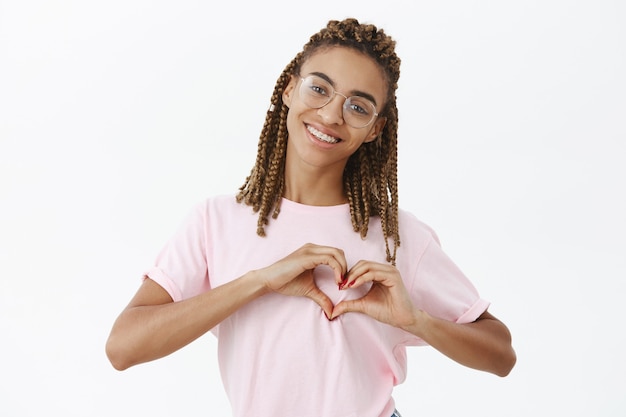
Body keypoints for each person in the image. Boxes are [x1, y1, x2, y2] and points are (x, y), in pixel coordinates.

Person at [106, 17, 516, 417]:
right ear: (288, 89)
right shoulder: (215, 222)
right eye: (319, 88)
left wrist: (417, 320)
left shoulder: (397, 236)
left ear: (375, 129)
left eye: (358, 106)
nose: (331, 115)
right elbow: (123, 347)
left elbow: (501, 355)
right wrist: (260, 280)